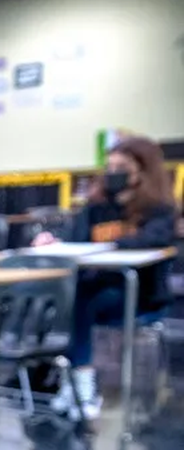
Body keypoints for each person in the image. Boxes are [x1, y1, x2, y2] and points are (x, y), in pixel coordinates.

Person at [33, 136, 178, 421]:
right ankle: (76, 383)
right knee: (73, 298)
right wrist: (52, 241)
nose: (114, 173)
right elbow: (75, 240)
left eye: (122, 166)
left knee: (80, 301)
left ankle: (79, 385)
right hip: (95, 289)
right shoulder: (94, 207)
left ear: (143, 171)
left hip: (141, 296)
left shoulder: (160, 210)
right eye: (110, 166)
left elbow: (153, 240)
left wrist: (114, 245)